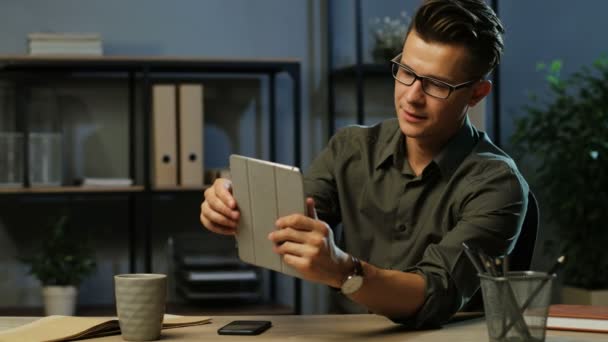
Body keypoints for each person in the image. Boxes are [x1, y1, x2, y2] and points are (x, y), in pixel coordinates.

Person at [200, 0, 528, 328]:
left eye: (438, 84)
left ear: (476, 94)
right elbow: (288, 223)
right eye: (407, 72)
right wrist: (236, 206)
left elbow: (433, 294)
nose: (412, 96)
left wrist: (344, 270)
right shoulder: (352, 148)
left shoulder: (498, 184)